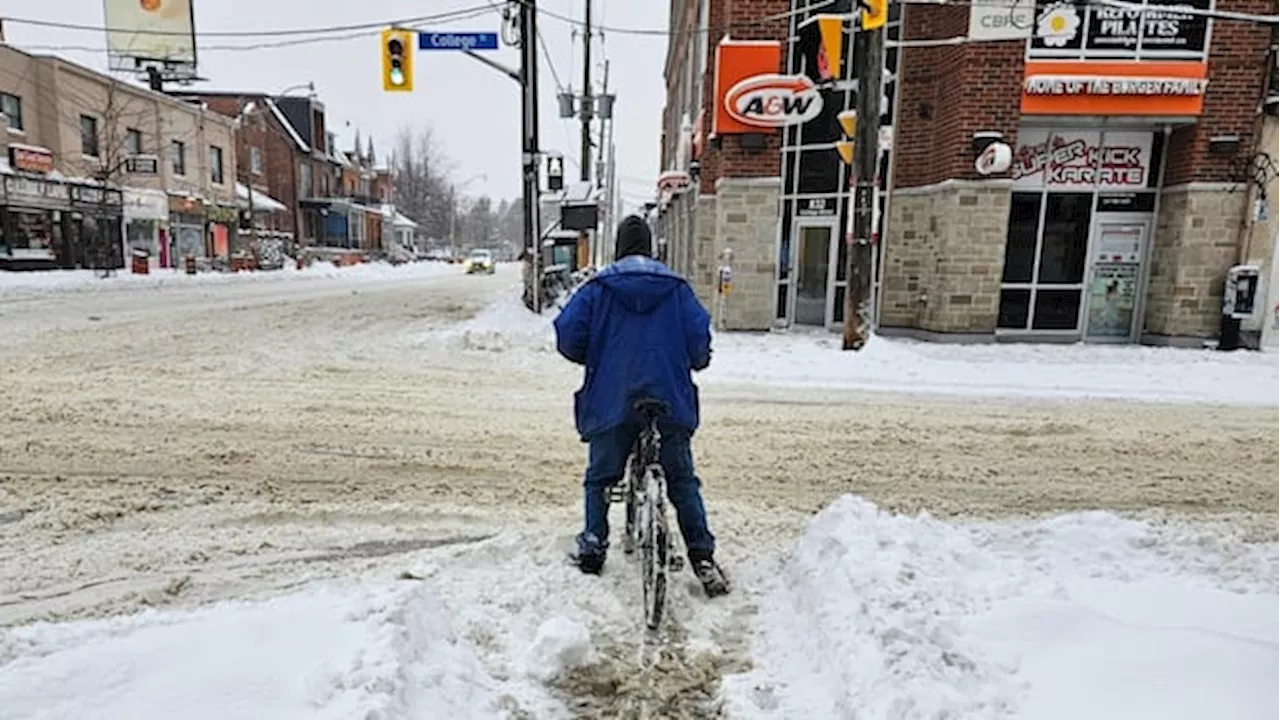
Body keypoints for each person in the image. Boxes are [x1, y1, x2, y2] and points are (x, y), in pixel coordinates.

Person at [552, 215, 729, 597]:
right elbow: (700, 342)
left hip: (612, 398)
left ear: (618, 247)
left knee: (600, 479)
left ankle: (594, 547)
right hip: (668, 397)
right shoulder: (677, 288)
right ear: (650, 247)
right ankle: (702, 556)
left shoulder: (597, 287)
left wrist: (597, 356)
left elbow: (567, 334)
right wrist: (693, 360)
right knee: (681, 481)